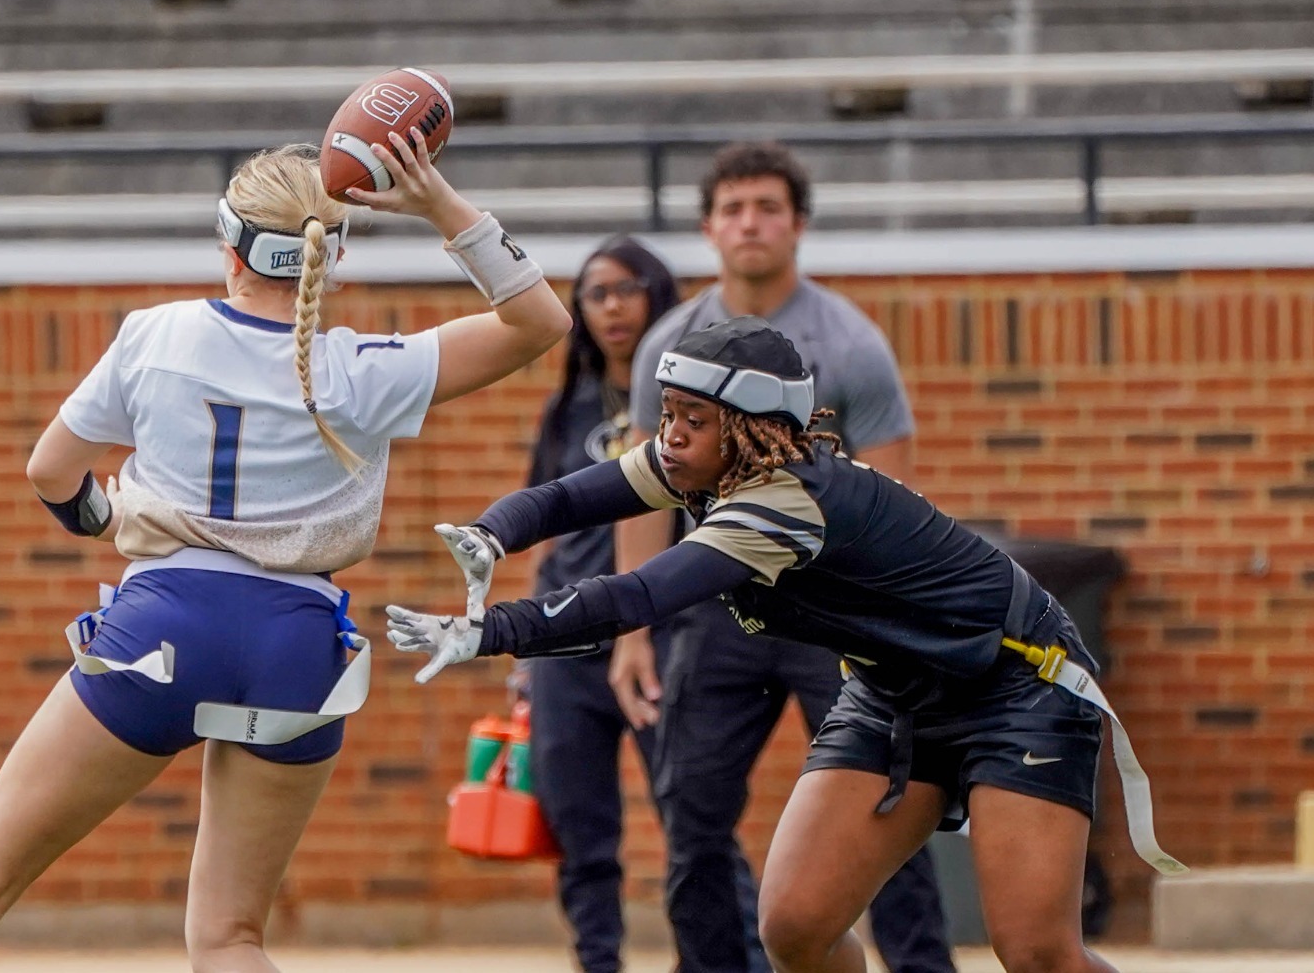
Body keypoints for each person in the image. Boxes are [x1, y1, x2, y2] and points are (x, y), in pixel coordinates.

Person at [0, 131, 572, 973]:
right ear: (332, 256)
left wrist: (105, 523)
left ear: (229, 242)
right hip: (301, 644)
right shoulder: (361, 368)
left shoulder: (156, 335)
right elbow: (540, 321)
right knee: (228, 938)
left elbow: (50, 472)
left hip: (164, 625)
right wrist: (436, 202)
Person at [387, 316, 1185, 973]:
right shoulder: (708, 463)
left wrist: (492, 631)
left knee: (1036, 953)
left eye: (692, 419)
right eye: (667, 413)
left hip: (1013, 687)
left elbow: (635, 598)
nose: (669, 437)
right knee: (797, 927)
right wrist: (491, 532)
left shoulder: (782, 503)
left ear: (751, 429)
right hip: (894, 692)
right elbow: (571, 497)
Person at [610, 142, 952, 973]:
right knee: (690, 816)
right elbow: (645, 486)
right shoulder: (669, 343)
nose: (749, 223)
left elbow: (894, 503)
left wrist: (896, 629)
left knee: (885, 809)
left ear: (797, 224)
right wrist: (631, 630)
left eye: (767, 206)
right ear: (707, 228)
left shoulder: (851, 342)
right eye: (732, 208)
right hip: (714, 612)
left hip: (832, 617)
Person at [516, 235, 678, 973]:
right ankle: (598, 961)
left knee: (691, 816)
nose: (612, 307)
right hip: (566, 638)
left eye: (626, 288)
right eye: (595, 294)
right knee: (579, 825)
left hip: (662, 634)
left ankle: (718, 955)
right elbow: (545, 532)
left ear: (657, 295)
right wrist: (524, 658)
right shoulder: (567, 407)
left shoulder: (691, 405)